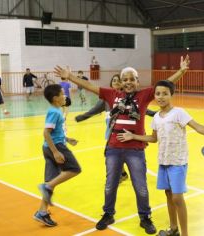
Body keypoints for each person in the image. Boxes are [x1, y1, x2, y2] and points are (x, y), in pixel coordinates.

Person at [54, 55, 190, 234]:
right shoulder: (112, 94)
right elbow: (89, 86)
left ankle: (145, 217)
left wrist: (181, 71)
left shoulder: (144, 95)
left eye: (131, 79)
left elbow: (165, 84)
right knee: (110, 184)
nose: (128, 82)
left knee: (140, 186)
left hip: (135, 150)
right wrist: (70, 76)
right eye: (124, 79)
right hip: (114, 149)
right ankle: (108, 214)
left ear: (137, 81)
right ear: (120, 82)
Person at [117, 80, 204, 236]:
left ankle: (185, 234)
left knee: (177, 198)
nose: (161, 97)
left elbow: (198, 126)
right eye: (158, 94)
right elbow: (153, 138)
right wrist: (133, 136)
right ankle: (173, 228)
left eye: (165, 93)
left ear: (171, 95)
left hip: (177, 162)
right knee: (169, 195)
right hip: (163, 162)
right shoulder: (156, 117)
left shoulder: (179, 113)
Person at [75, 74, 157, 183]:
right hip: (112, 132)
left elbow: (144, 110)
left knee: (133, 152)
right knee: (111, 154)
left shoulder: (130, 99)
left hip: (132, 134)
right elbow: (94, 110)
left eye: (118, 81)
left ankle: (129, 172)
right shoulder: (107, 98)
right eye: (113, 81)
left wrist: (156, 113)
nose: (116, 83)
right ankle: (121, 174)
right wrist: (81, 117)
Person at [34, 84, 81, 227]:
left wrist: (67, 139)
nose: (65, 96)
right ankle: (47, 187)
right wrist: (56, 151)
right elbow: (46, 133)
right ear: (55, 98)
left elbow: (55, 131)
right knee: (74, 169)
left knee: (51, 180)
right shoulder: (55, 112)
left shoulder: (57, 110)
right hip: (55, 147)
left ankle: (42, 212)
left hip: (48, 147)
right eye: (62, 93)